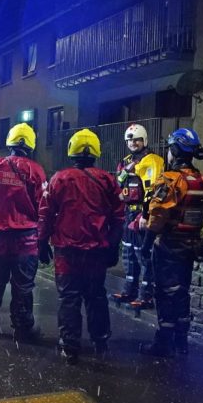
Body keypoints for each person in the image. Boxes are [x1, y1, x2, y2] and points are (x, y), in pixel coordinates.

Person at [38, 129, 124, 364]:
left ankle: (70, 345)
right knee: (96, 296)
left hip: (67, 252)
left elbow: (45, 214)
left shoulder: (59, 178)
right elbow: (118, 217)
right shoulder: (107, 180)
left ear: (71, 150)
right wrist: (113, 246)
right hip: (96, 252)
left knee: (69, 298)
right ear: (96, 151)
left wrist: (41, 242)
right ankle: (100, 340)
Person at [139, 128, 203, 357]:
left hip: (169, 245)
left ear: (175, 150)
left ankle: (163, 343)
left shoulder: (171, 180)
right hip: (191, 244)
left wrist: (146, 243)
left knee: (165, 292)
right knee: (182, 293)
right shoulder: (202, 181)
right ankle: (182, 343)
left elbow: (158, 215)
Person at [0, 123, 47, 342]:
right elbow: (43, 206)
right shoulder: (35, 170)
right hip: (26, 240)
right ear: (31, 144)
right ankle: (22, 327)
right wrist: (44, 240)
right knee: (23, 287)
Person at [111, 123, 164, 311]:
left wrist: (146, 214)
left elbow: (153, 190)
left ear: (144, 140)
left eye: (137, 140)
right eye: (130, 140)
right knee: (128, 254)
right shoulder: (125, 161)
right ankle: (129, 291)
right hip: (128, 212)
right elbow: (118, 184)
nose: (133, 143)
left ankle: (146, 296)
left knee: (143, 255)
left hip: (141, 213)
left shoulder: (152, 160)